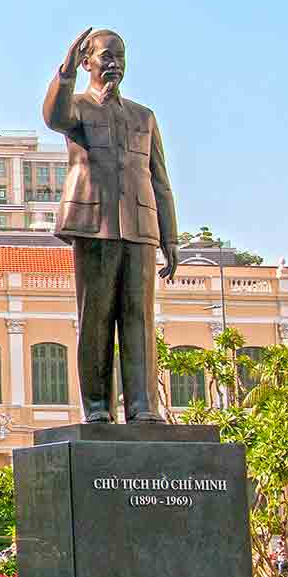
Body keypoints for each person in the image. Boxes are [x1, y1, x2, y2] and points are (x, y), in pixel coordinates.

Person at [42, 28, 178, 423]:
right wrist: (64, 74)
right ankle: (98, 408)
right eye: (106, 55)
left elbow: (160, 179)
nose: (114, 63)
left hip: (139, 226)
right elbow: (53, 116)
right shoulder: (78, 108)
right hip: (93, 223)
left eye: (120, 55)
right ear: (88, 62)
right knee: (96, 317)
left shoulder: (143, 116)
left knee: (139, 317)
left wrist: (170, 236)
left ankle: (142, 406)